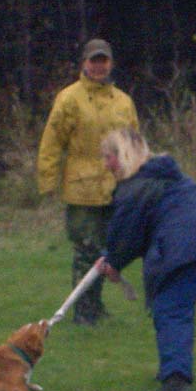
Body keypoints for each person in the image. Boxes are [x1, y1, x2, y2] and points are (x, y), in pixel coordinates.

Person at [96, 128, 196, 391]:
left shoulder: (136, 186)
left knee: (170, 308)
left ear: (122, 156)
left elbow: (125, 233)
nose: (105, 164)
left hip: (187, 243)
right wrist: (116, 258)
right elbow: (141, 231)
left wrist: (113, 261)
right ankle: (173, 367)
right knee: (174, 305)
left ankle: (175, 379)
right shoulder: (165, 175)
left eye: (108, 157)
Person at [37, 39, 139, 325]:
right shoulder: (69, 99)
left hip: (116, 186)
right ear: (84, 63)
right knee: (85, 251)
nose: (98, 66)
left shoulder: (123, 101)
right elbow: (52, 141)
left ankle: (95, 304)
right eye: (93, 60)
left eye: (103, 60)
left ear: (111, 63)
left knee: (109, 251)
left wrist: (137, 177)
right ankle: (83, 311)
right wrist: (48, 179)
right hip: (81, 189)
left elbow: (135, 142)